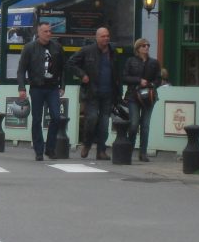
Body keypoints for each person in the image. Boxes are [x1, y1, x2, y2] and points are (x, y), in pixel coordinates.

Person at [68, 26, 121, 160]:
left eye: (107, 36)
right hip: (92, 92)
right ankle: (87, 144)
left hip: (108, 92)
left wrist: (118, 91)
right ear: (97, 38)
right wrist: (82, 75)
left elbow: (116, 72)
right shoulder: (87, 50)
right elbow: (71, 63)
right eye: (103, 36)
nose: (106, 38)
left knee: (104, 123)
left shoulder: (113, 52)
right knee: (91, 119)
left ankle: (101, 150)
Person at [16, 22, 65, 161]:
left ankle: (50, 148)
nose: (49, 34)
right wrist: (22, 88)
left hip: (52, 87)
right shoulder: (30, 48)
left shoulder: (57, 47)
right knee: (37, 119)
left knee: (56, 117)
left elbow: (63, 68)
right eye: (45, 31)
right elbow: (21, 70)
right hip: (36, 87)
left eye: (50, 31)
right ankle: (39, 150)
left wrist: (62, 85)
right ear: (39, 33)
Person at [122, 38, 161, 162]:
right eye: (143, 45)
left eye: (148, 45)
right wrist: (139, 80)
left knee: (145, 125)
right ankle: (129, 150)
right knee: (133, 124)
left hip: (149, 96)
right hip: (133, 95)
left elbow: (158, 79)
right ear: (138, 48)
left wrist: (150, 85)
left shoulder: (154, 62)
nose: (146, 47)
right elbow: (124, 77)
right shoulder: (130, 61)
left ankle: (143, 153)